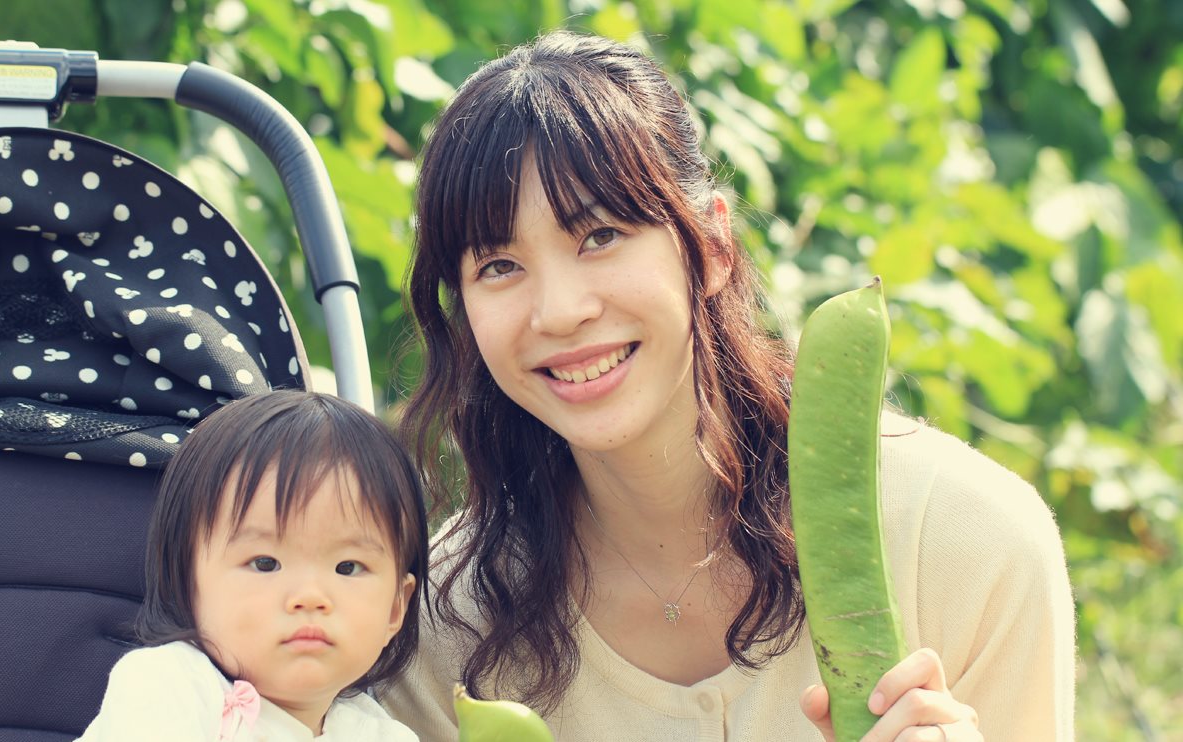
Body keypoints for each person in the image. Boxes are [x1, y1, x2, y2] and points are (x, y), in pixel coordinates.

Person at [381, 31, 1076, 742]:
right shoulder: (438, 633)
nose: (559, 311)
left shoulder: (969, 543)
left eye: (600, 236)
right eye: (498, 265)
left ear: (713, 246)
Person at [77, 391, 427, 741]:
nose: (309, 597)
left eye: (348, 567)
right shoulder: (166, 684)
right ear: (188, 583)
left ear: (395, 608)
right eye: (265, 563)